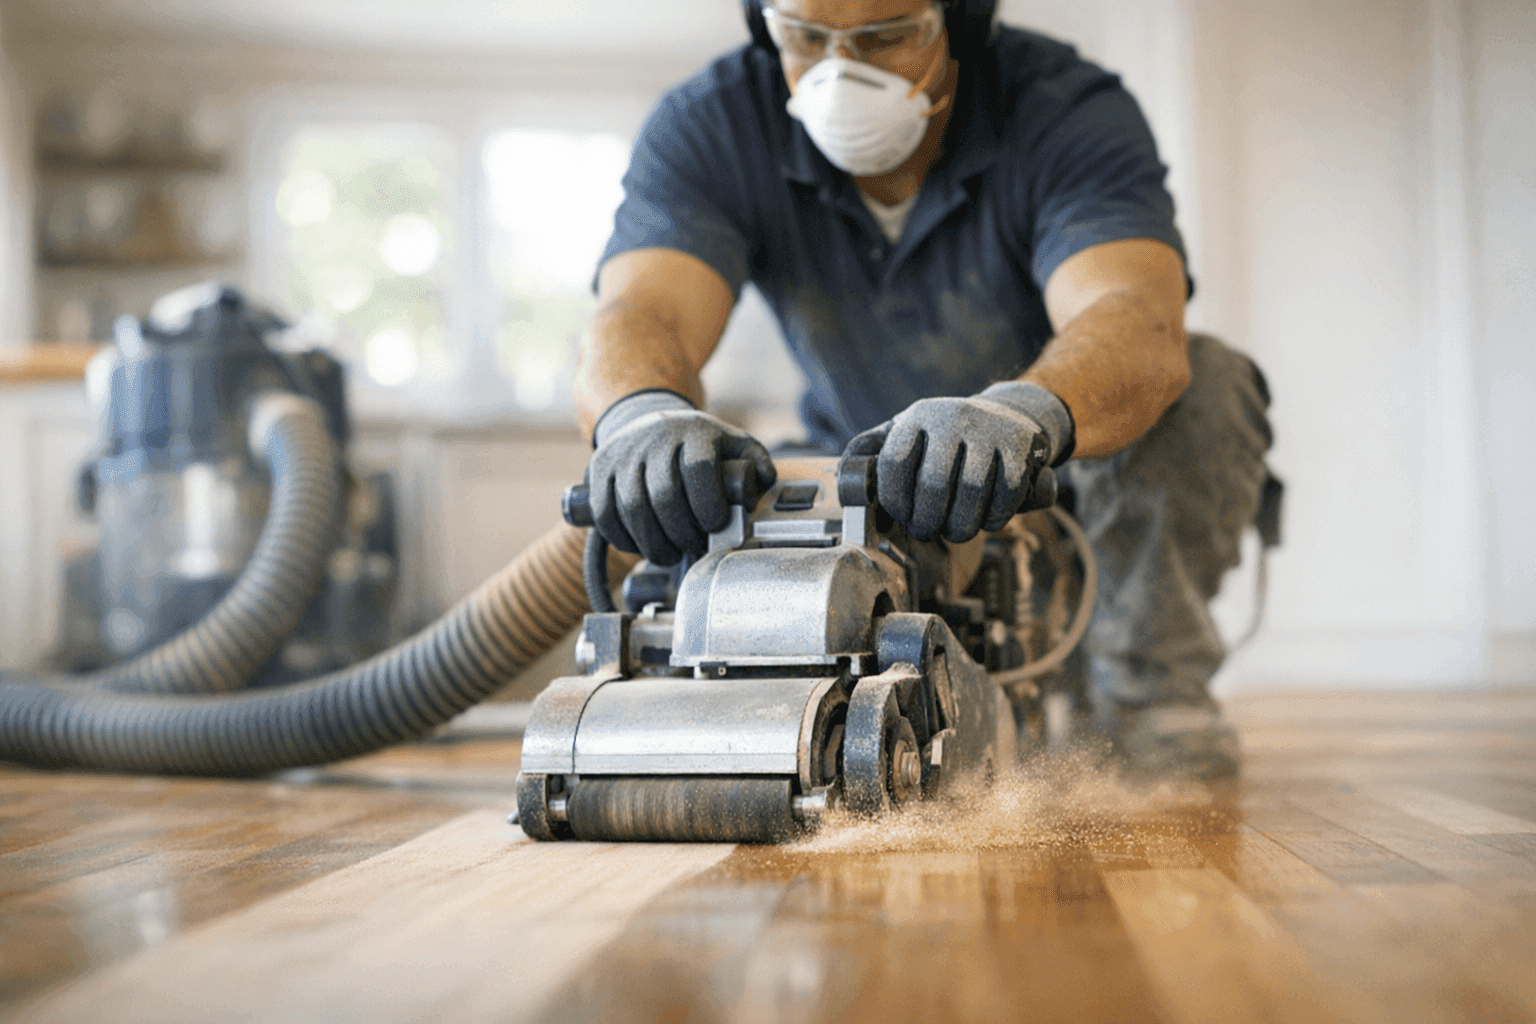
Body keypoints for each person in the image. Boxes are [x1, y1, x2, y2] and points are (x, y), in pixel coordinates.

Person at [574, 0, 1274, 779]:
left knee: (1208, 383)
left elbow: (1135, 320)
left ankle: (1150, 701)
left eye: (887, 35)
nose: (842, 69)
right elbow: (643, 309)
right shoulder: (715, 123)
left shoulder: (1064, 109)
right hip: (869, 492)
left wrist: (1017, 414)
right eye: (805, 36)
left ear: (961, 21)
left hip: (1065, 500)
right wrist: (642, 414)